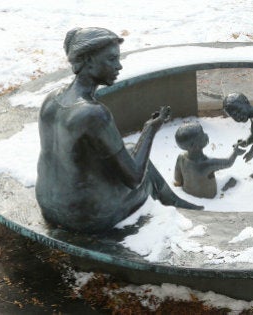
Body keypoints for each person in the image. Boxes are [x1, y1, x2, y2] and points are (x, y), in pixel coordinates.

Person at [36, 27, 201, 234]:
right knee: (143, 166)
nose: (119, 66)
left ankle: (174, 200)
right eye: (111, 59)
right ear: (87, 60)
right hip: (84, 217)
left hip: (48, 202)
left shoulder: (51, 99)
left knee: (132, 149)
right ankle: (175, 205)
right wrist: (150, 130)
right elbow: (134, 178)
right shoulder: (93, 114)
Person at [173, 122, 245, 198]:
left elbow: (178, 179)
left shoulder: (181, 158)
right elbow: (228, 163)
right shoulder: (207, 164)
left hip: (188, 192)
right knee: (234, 180)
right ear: (195, 145)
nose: (206, 135)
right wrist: (235, 153)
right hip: (208, 196)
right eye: (202, 135)